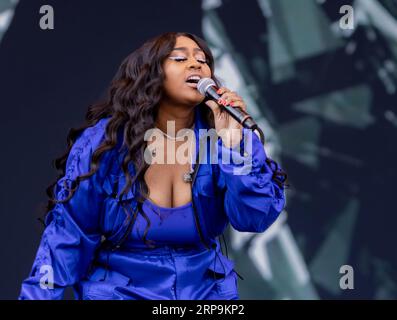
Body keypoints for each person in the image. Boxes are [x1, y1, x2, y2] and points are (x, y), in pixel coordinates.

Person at [19, 32, 287, 300]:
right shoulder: (107, 142)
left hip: (206, 294)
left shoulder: (226, 137)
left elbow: (254, 218)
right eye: (180, 58)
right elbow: (68, 236)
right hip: (120, 292)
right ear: (149, 74)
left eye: (203, 60)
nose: (196, 65)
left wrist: (234, 148)